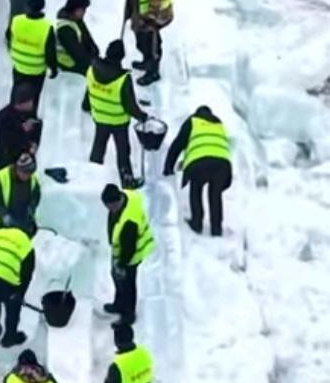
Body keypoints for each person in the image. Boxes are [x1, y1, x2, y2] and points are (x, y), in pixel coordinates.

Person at [164, 106, 233, 236]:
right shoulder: (219, 124)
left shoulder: (193, 121)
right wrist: (183, 164)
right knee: (215, 194)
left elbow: (178, 144)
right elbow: (209, 146)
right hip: (222, 165)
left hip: (199, 164)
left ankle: (197, 222)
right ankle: (216, 229)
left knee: (196, 188)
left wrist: (168, 166)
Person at [84, 38, 141, 184]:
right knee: (123, 151)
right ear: (122, 57)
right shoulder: (122, 79)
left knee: (98, 145)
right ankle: (127, 179)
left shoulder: (92, 69)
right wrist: (143, 117)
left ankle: (92, 177)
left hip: (99, 116)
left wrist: (86, 105)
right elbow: (130, 105)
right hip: (118, 121)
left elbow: (89, 90)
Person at [102, 183, 156, 324]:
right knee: (118, 279)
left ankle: (128, 314)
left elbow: (129, 248)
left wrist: (122, 264)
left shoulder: (129, 222)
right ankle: (118, 304)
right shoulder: (126, 196)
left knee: (127, 284)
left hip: (131, 255)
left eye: (110, 207)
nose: (109, 210)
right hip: (122, 250)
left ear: (116, 202)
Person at [7, 0, 58, 111]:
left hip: (18, 66)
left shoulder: (16, 21)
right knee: (32, 98)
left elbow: (8, 38)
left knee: (16, 93)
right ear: (43, 7)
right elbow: (50, 53)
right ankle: (30, 120)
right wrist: (54, 69)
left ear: (27, 4)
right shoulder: (46, 27)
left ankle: (12, 115)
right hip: (36, 70)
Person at [0, 149, 42, 233]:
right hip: (0, 226)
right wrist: (4, 215)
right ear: (18, 169)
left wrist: (31, 208)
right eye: (25, 173)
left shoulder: (33, 180)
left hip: (22, 225)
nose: (27, 176)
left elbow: (36, 196)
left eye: (29, 173)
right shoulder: (1, 177)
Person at [0, 85, 42, 172]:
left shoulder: (30, 114)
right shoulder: (3, 117)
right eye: (29, 102)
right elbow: (3, 141)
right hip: (7, 164)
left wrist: (34, 144)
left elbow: (37, 129)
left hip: (27, 163)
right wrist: (22, 131)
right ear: (21, 103)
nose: (32, 104)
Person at [56, 0, 98, 75]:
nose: (84, 12)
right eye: (82, 10)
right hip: (68, 66)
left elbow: (87, 39)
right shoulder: (65, 28)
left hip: (77, 63)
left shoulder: (77, 21)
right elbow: (78, 54)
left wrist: (95, 53)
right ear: (74, 10)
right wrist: (92, 62)